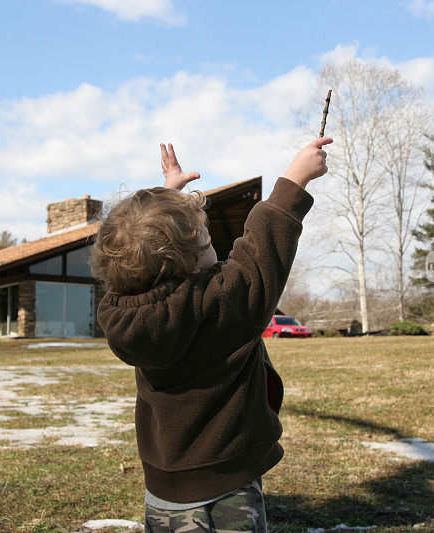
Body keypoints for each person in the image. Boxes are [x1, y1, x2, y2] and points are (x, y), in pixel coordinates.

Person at [92, 137, 332, 532]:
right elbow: (261, 250)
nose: (214, 246)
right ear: (186, 261)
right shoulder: (221, 304)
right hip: (228, 489)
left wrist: (168, 197)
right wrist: (295, 179)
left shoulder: (121, 310)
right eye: (205, 242)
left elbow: (138, 256)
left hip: (161, 490)